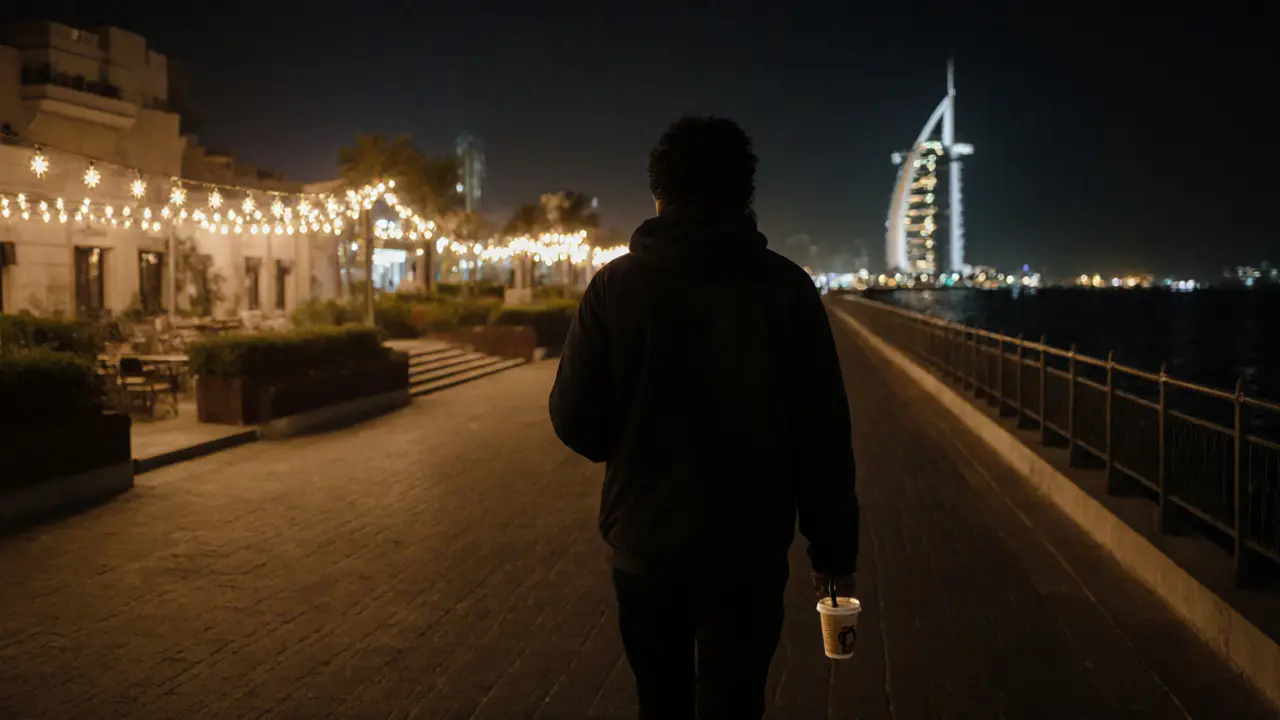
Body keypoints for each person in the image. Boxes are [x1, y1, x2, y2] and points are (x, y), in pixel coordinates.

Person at [548, 116, 859, 719]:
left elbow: (573, 421)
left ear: (658, 195)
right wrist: (833, 553)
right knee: (737, 701)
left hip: (645, 544)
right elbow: (823, 436)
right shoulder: (788, 291)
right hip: (750, 551)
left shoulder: (614, 287)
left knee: (659, 699)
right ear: (744, 196)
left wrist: (632, 439)